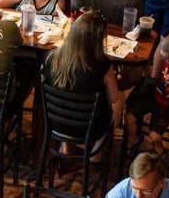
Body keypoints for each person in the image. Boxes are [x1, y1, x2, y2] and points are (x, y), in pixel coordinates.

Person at [42, 10, 124, 147]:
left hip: (55, 122)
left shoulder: (51, 59)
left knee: (66, 95)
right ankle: (96, 152)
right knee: (120, 99)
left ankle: (65, 146)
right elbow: (114, 99)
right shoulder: (103, 67)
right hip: (88, 128)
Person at [123, 32, 169, 162]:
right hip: (155, 95)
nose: (167, 62)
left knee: (154, 136)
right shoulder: (168, 59)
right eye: (164, 58)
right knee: (129, 117)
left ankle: (159, 146)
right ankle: (134, 141)